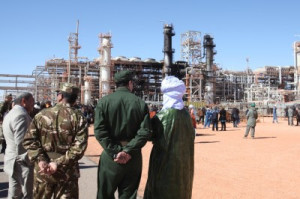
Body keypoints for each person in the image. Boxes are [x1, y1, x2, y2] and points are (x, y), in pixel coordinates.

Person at [23, 83, 88, 199]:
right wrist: (57, 163)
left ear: (60, 96)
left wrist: (41, 159)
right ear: (75, 99)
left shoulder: (41, 115)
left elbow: (29, 140)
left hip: (43, 171)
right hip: (67, 172)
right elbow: (79, 148)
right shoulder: (79, 118)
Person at [94, 70, 151, 199]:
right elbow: (145, 132)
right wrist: (128, 151)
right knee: (129, 195)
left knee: (105, 194)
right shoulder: (139, 103)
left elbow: (99, 131)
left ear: (116, 84)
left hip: (110, 157)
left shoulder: (103, 102)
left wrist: (115, 152)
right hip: (133, 157)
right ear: (130, 83)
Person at [144, 76, 194, 199]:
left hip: (164, 165)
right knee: (182, 189)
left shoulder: (162, 116)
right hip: (184, 164)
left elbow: (149, 135)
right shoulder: (187, 116)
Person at [3, 92, 34, 198]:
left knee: (14, 192)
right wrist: (29, 160)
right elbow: (21, 142)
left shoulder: (10, 114)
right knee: (27, 193)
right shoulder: (21, 115)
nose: (33, 105)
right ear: (23, 101)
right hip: (21, 161)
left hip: (12, 159)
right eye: (31, 102)